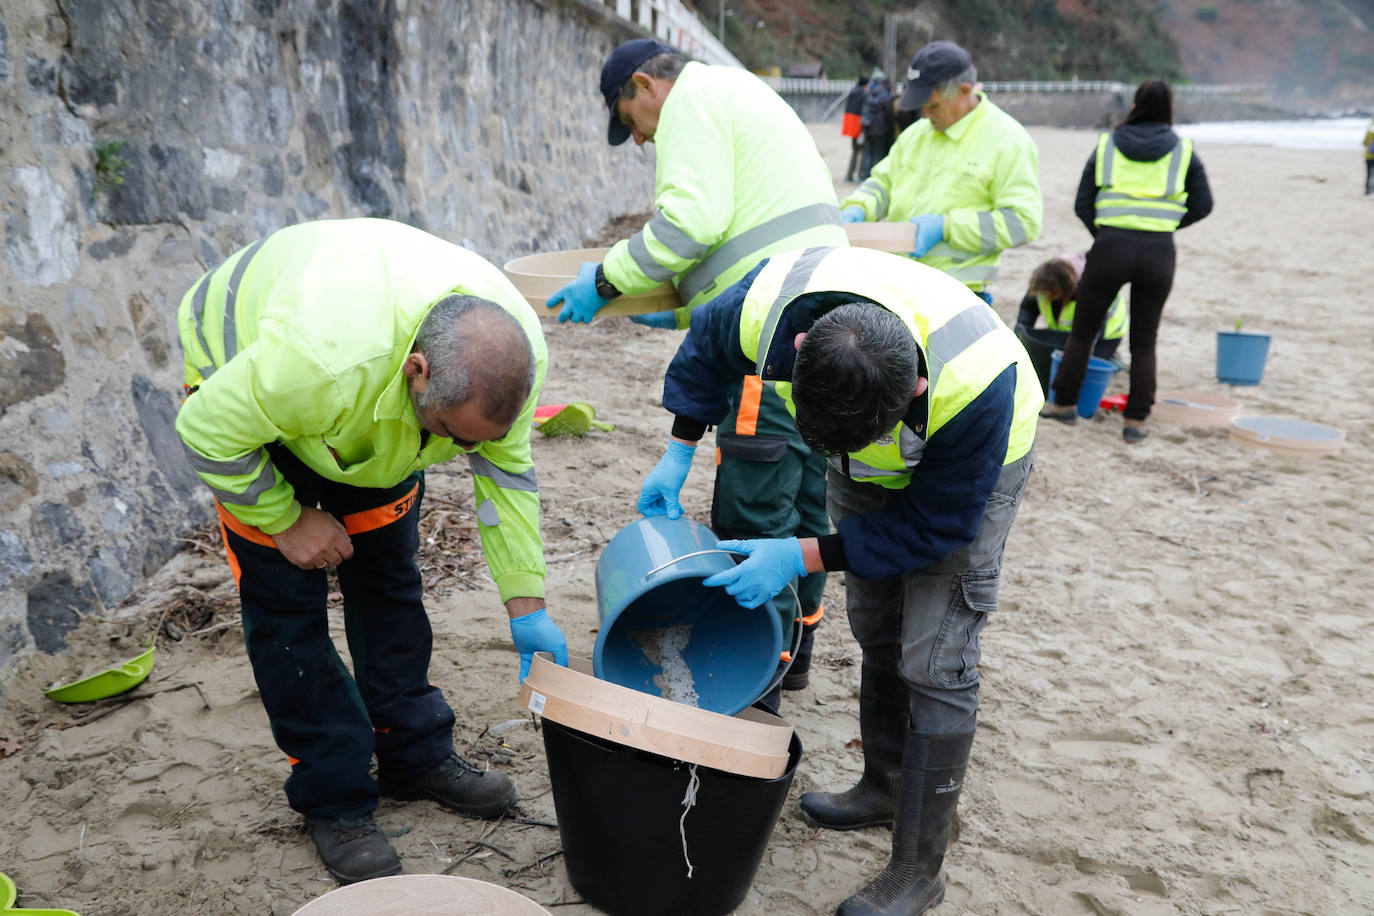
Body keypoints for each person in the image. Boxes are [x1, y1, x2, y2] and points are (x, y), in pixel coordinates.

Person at [638, 246, 1041, 916]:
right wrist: (678, 451)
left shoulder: (976, 384)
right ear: (799, 351)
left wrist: (799, 556)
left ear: (911, 389)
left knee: (936, 658)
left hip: (972, 466)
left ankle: (918, 870)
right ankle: (883, 787)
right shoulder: (764, 308)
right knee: (876, 625)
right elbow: (706, 345)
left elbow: (936, 528)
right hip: (876, 452)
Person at [174, 218, 569, 884]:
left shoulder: (509, 357)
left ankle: (413, 754)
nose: (466, 453)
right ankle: (333, 796)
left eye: (476, 439)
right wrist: (286, 518)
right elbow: (205, 432)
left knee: (389, 579)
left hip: (362, 405)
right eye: (453, 435)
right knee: (287, 616)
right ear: (419, 373)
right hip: (244, 393)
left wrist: (526, 603)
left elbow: (504, 476)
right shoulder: (313, 362)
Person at [548, 38, 850, 705]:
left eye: (631, 121)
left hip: (768, 342)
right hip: (818, 320)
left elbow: (691, 223)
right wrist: (686, 315)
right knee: (807, 497)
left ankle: (758, 677)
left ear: (643, 85)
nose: (640, 140)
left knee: (755, 498)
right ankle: (795, 652)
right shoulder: (736, 94)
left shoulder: (691, 101)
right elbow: (748, 238)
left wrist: (605, 279)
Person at [1042, 79, 1213, 442]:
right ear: (1169, 107)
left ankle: (1064, 406)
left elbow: (1081, 203)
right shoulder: (1183, 150)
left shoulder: (1107, 145)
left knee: (1084, 331)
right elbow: (1203, 204)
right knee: (1144, 341)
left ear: (1134, 104)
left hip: (1110, 247)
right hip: (1159, 253)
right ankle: (1135, 423)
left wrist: (1104, 234)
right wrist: (1165, 226)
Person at [841, 40, 1042, 306]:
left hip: (959, 295)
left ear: (964, 91)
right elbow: (882, 184)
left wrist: (947, 227)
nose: (924, 114)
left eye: (932, 105)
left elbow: (1023, 223)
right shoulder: (916, 134)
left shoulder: (1008, 141)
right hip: (897, 286)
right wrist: (857, 209)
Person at [1014, 251, 1127, 362]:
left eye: (1051, 295)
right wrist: (1020, 336)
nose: (1046, 297)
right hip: (1065, 333)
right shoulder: (1043, 275)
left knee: (1089, 365)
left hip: (1107, 334)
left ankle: (1110, 357)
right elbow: (1028, 308)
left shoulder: (1091, 287)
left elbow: (1091, 334)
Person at [859, 70, 895, 181]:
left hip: (868, 127)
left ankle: (864, 175)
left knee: (868, 152)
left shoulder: (870, 92)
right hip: (880, 129)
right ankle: (875, 178)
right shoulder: (885, 94)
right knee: (878, 154)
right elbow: (889, 112)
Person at [842, 74, 870, 182]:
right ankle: (860, 175)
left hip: (851, 127)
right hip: (859, 127)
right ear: (865, 85)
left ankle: (849, 174)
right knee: (862, 151)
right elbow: (864, 111)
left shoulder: (852, 92)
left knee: (854, 151)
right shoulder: (863, 95)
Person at [1363, 114, 1374, 196]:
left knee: (1368, 174)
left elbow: (1364, 143)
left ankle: (1367, 191)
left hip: (1368, 156)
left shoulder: (1370, 130)